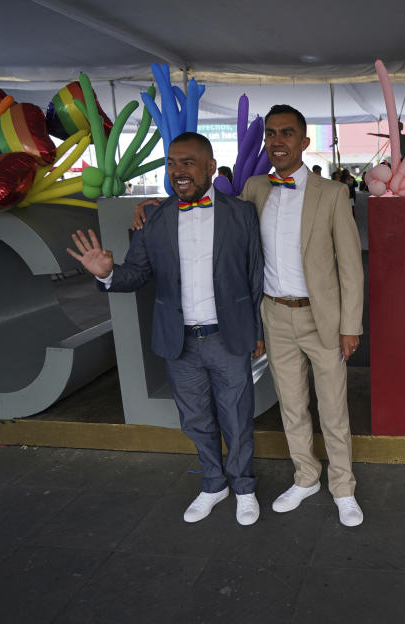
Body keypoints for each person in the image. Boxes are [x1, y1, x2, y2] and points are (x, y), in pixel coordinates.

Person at [69, 133, 265, 527]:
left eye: (188, 162)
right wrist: (108, 273)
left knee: (238, 418)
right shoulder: (155, 218)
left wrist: (257, 330)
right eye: (172, 163)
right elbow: (137, 273)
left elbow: (255, 275)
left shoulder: (240, 214)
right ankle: (214, 484)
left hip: (228, 337)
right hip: (180, 342)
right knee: (195, 419)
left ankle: (243, 486)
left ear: (210, 167)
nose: (178, 171)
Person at [243, 105, 365, 527]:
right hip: (275, 316)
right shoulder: (254, 189)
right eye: (272, 133)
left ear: (303, 142)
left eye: (287, 133)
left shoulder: (331, 193)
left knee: (333, 408)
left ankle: (343, 487)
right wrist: (154, 205)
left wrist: (351, 325)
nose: (278, 141)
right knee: (292, 407)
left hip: (321, 318)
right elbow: (219, 222)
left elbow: (350, 265)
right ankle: (306, 476)